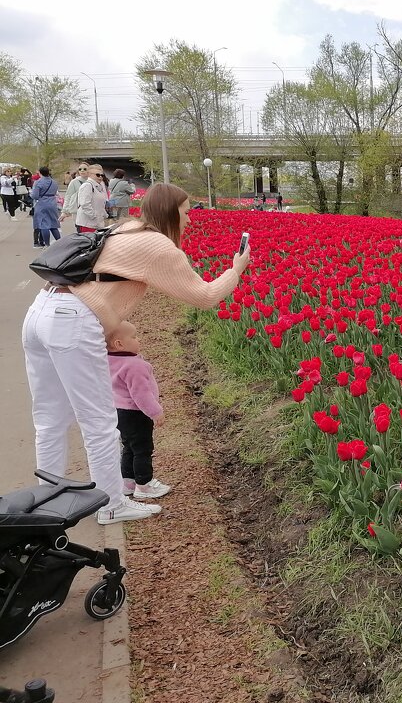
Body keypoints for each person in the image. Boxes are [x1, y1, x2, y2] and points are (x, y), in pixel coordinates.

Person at [22, 182, 252, 524]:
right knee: (100, 422)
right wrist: (237, 269)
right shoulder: (158, 245)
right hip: (73, 319)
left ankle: (44, 503)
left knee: (50, 419)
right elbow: (204, 296)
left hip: (40, 311)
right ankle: (112, 505)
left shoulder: (125, 227)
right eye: (186, 212)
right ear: (170, 212)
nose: (189, 220)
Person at [108, 321, 170, 501]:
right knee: (143, 449)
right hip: (136, 413)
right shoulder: (135, 366)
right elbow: (141, 394)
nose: (138, 339)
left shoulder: (109, 360)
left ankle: (128, 483)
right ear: (119, 344)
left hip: (119, 412)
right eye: (134, 337)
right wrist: (155, 412)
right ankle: (144, 485)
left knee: (129, 446)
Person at [30, 167, 62, 247]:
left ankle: (47, 244)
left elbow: (35, 196)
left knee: (44, 224)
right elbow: (55, 192)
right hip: (52, 203)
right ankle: (60, 243)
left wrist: (30, 194)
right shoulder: (54, 182)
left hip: (42, 204)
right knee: (54, 224)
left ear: (40, 173)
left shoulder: (38, 182)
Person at [75, 165, 108, 232]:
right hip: (87, 224)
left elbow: (100, 204)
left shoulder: (99, 187)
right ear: (90, 175)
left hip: (97, 223)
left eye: (102, 175)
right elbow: (85, 204)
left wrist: (104, 215)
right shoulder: (87, 185)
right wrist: (93, 216)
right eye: (98, 175)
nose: (100, 177)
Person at [60, 164, 89, 230]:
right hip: (77, 210)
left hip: (90, 211)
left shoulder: (92, 181)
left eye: (85, 169)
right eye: (80, 169)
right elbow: (68, 196)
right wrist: (64, 211)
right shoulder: (74, 182)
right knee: (80, 230)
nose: (82, 171)